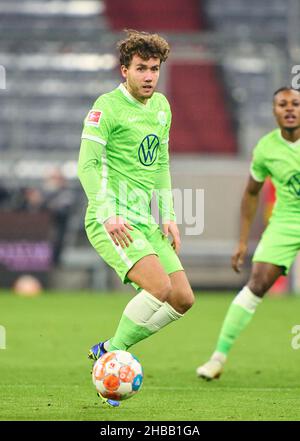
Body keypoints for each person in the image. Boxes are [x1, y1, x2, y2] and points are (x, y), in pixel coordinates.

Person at [78, 30, 194, 406]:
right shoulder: (106, 107)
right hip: (110, 218)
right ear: (124, 69)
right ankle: (113, 359)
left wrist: (169, 217)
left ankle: (109, 348)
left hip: (144, 219)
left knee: (182, 299)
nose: (148, 76)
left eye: (154, 69)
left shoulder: (162, 106)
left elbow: (159, 163)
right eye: (141, 68)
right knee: (158, 288)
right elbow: (87, 165)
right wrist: (107, 212)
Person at [196, 87, 300, 380]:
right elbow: (251, 194)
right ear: (274, 111)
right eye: (283, 104)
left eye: (295, 103)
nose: (290, 108)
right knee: (256, 283)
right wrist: (242, 241)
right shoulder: (266, 148)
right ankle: (217, 358)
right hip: (287, 221)